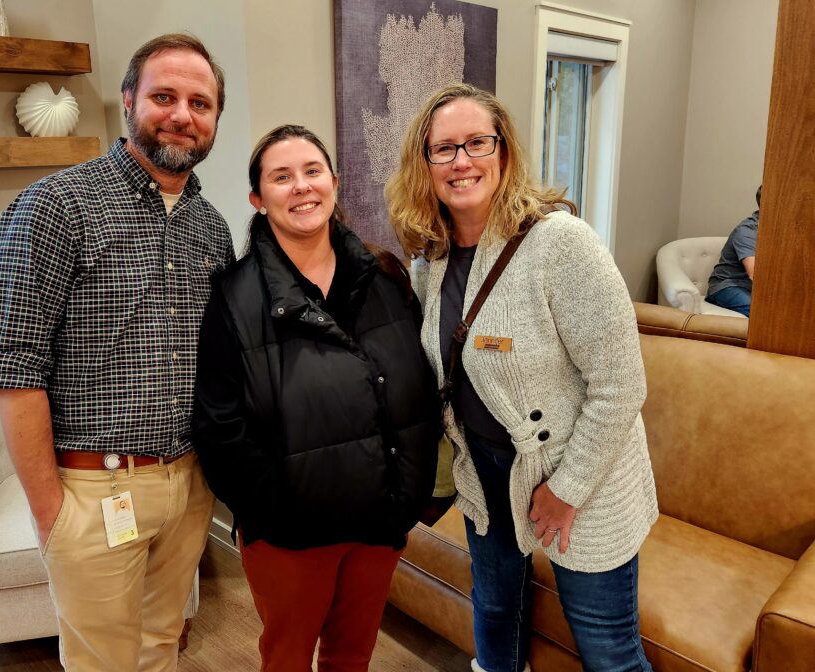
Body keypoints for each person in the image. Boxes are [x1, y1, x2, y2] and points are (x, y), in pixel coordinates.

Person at [0, 32, 235, 672]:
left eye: (200, 104)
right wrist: (50, 513)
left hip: (189, 481)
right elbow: (13, 369)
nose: (182, 115)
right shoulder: (56, 206)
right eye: (164, 96)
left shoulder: (212, 227)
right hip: (94, 487)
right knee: (102, 664)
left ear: (214, 121)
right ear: (128, 101)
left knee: (160, 646)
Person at [385, 84, 657, 672]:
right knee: (495, 615)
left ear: (504, 151)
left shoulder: (562, 245)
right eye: (444, 149)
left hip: (576, 479)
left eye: (477, 143)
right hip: (484, 473)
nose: (462, 161)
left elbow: (621, 386)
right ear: (424, 164)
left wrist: (566, 492)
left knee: (608, 648)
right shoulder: (429, 258)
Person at [192, 125, 440, 672]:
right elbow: (218, 427)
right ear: (258, 199)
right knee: (287, 658)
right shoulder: (233, 298)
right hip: (290, 536)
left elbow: (421, 388)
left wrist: (412, 490)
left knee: (352, 656)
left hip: (379, 520)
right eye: (281, 177)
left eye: (311, 172)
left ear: (335, 182)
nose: (301, 187)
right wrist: (275, 509)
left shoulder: (386, 277)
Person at [706, 185, 761, 316]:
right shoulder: (748, 230)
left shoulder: (782, 231)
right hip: (728, 286)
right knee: (763, 313)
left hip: (752, 288)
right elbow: (755, 274)